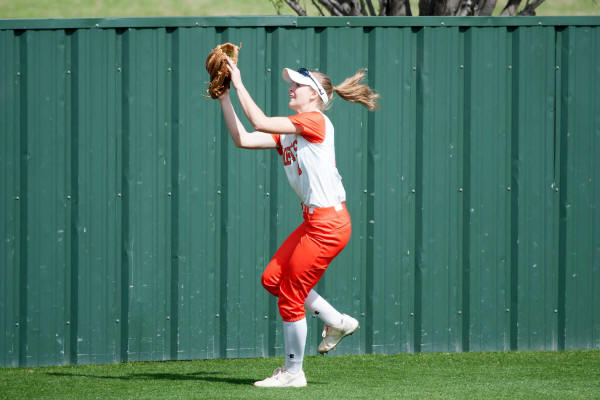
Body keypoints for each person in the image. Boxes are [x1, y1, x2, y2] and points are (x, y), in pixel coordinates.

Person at [218, 57, 379, 388]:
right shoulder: (294, 130)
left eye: (298, 85)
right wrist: (224, 97)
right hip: (314, 222)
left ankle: (294, 372)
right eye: (292, 84)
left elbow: (259, 121)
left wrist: (238, 82)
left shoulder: (315, 121)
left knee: (291, 295)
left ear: (314, 95)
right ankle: (337, 321)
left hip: (328, 225)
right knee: (272, 280)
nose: (291, 88)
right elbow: (243, 138)